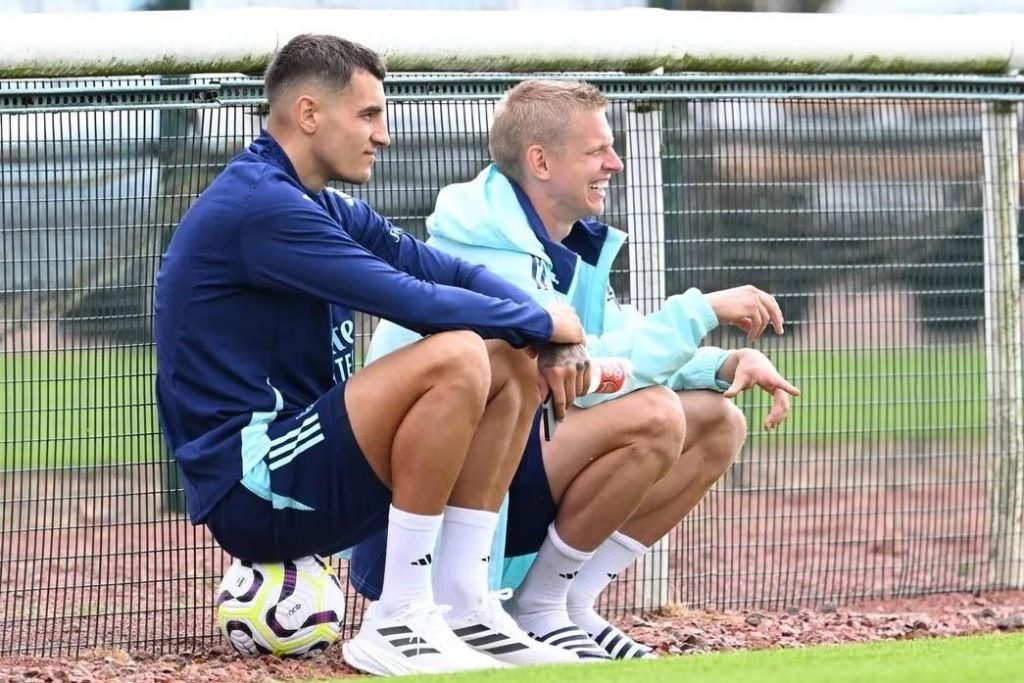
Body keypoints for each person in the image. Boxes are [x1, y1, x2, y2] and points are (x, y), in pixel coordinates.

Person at [153, 38, 592, 677]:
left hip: (312, 466)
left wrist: (543, 328)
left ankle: (463, 604)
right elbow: (413, 300)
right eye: (367, 115)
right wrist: (545, 320)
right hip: (257, 488)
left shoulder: (319, 203)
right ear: (309, 113)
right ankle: (397, 617)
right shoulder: (261, 207)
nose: (383, 136)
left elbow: (440, 268)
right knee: (459, 353)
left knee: (511, 358)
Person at [352, 79, 801, 661]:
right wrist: (701, 310)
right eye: (597, 151)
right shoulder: (488, 252)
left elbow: (611, 342)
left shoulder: (563, 240)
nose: (615, 164)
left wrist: (723, 363)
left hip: (510, 470)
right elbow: (583, 381)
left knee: (719, 421)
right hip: (433, 512)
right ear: (540, 162)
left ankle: (562, 604)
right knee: (655, 415)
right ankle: (518, 609)